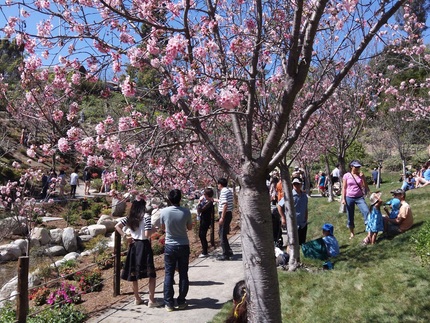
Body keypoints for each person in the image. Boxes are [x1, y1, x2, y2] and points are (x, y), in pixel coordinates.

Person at [115, 198, 160, 307]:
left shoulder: (130, 218)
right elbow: (147, 234)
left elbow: (117, 226)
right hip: (144, 246)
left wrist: (125, 236)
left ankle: (137, 298)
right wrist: (154, 230)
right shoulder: (146, 217)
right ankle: (151, 300)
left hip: (134, 246)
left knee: (133, 273)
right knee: (151, 274)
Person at [160, 189, 192, 311]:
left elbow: (163, 228)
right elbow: (189, 228)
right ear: (180, 198)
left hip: (170, 245)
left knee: (169, 273)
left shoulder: (164, 212)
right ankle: (181, 301)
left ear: (169, 198)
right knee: (183, 273)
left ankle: (169, 303)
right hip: (183, 244)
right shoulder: (186, 211)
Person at [341, 160, 370, 239]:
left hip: (359, 197)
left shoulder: (360, 175)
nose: (357, 168)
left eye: (358, 167)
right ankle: (352, 232)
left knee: (366, 211)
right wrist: (343, 199)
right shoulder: (346, 175)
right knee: (350, 215)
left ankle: (369, 229)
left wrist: (363, 177)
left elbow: (365, 186)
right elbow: (344, 187)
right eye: (356, 167)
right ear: (351, 167)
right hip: (349, 197)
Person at [277, 177, 308, 245]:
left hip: (302, 223)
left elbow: (305, 207)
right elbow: (279, 205)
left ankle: (300, 255)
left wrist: (306, 217)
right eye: (294, 184)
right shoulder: (289, 195)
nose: (296, 185)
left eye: (298, 184)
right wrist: (283, 217)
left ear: (301, 184)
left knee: (302, 243)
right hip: (292, 223)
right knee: (292, 243)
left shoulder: (304, 196)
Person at [216, 178, 234, 261]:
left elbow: (225, 204)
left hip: (225, 214)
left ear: (220, 184)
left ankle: (225, 254)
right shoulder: (229, 190)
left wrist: (222, 217)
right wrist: (215, 200)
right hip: (229, 213)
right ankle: (228, 250)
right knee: (223, 233)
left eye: (218, 184)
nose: (217, 186)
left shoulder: (223, 191)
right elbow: (224, 202)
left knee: (221, 234)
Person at [197, 187, 214, 258]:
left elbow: (200, 209)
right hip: (204, 219)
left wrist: (199, 202)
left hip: (206, 220)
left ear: (207, 195)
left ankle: (205, 251)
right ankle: (204, 250)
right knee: (201, 235)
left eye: (205, 194)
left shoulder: (209, 202)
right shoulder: (208, 201)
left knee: (202, 235)